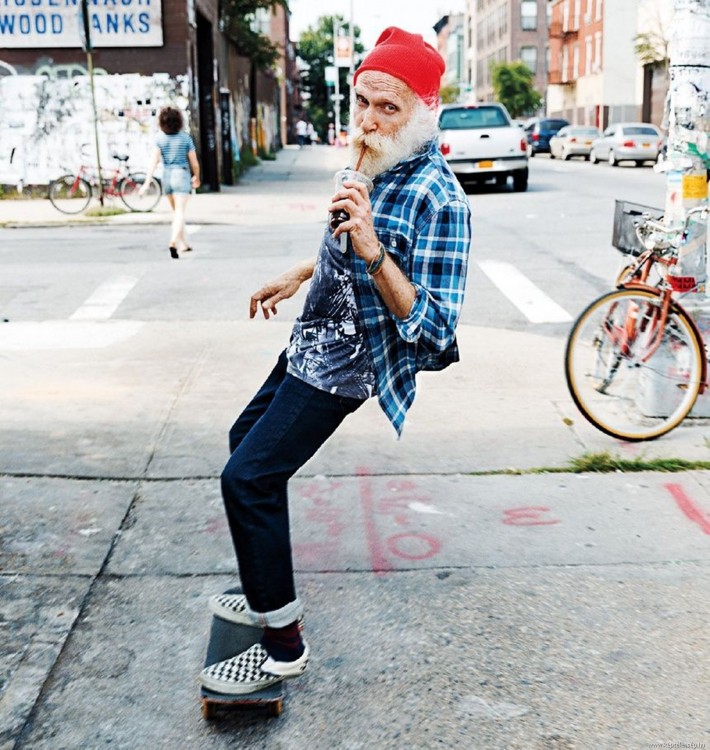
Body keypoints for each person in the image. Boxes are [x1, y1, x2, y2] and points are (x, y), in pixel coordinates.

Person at [198, 26, 471, 696]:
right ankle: (267, 589)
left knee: (247, 479)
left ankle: (283, 642)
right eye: (363, 102)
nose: (371, 120)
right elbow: (341, 246)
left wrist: (376, 248)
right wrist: (299, 274)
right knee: (245, 446)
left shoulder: (440, 199)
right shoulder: (372, 162)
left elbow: (434, 328)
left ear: (424, 112)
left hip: (350, 360)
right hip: (315, 331)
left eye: (389, 107)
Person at [141, 106, 200, 259]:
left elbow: (153, 162)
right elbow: (194, 163)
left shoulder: (160, 139)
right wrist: (197, 177)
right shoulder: (185, 138)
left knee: (177, 214)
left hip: (166, 176)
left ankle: (184, 244)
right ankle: (173, 242)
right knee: (180, 212)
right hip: (181, 175)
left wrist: (147, 182)